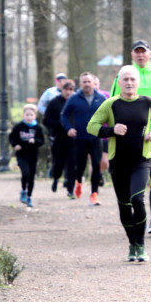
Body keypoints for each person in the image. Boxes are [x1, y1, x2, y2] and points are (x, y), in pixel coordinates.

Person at [88, 65, 151, 262]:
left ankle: (141, 245)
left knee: (137, 200)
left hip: (142, 160)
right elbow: (91, 126)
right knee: (124, 205)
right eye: (125, 80)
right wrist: (112, 130)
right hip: (118, 161)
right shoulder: (111, 104)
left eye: (132, 79)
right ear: (119, 82)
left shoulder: (148, 102)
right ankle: (132, 245)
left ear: (138, 82)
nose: (129, 83)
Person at [111, 40, 151, 234]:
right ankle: (135, 212)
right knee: (131, 173)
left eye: (143, 52)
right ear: (132, 55)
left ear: (150, 54)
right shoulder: (124, 75)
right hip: (130, 134)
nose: (140, 55)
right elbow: (112, 101)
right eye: (137, 52)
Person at [60, 71, 106, 204]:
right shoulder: (74, 98)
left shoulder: (101, 98)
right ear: (80, 84)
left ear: (93, 83)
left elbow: (110, 115)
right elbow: (64, 115)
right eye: (84, 82)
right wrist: (69, 129)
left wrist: (107, 130)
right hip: (80, 138)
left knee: (96, 166)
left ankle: (94, 194)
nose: (86, 84)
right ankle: (78, 183)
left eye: (89, 81)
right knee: (80, 166)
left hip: (96, 138)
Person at [43, 79, 76, 198]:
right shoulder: (54, 103)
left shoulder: (76, 103)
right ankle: (56, 178)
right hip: (58, 138)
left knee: (72, 165)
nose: (68, 92)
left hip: (73, 140)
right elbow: (45, 120)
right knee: (59, 164)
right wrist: (59, 125)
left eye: (71, 90)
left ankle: (70, 189)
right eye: (66, 90)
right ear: (61, 90)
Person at [9, 103, 44, 208]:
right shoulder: (18, 126)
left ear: (35, 116)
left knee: (32, 177)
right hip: (22, 155)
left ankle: (29, 197)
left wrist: (35, 141)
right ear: (23, 115)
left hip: (33, 155)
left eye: (31, 115)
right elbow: (11, 137)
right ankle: (23, 191)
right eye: (27, 115)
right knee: (25, 173)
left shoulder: (38, 128)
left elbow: (42, 140)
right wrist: (15, 145)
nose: (29, 117)